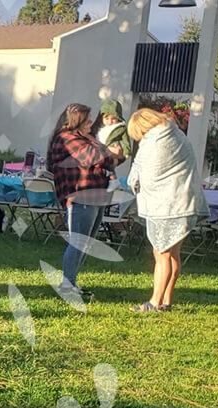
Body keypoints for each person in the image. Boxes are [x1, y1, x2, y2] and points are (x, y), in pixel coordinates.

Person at [126, 107, 208, 313]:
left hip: (164, 207)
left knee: (161, 254)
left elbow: (143, 175)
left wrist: (133, 182)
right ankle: (166, 301)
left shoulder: (152, 143)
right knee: (173, 254)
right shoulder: (177, 134)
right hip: (186, 203)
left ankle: (154, 302)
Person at [47, 103, 124, 302]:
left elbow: (108, 159)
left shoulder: (84, 138)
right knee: (78, 241)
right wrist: (112, 153)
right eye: (88, 119)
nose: (92, 122)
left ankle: (71, 281)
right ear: (77, 120)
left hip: (96, 195)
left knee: (86, 242)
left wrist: (114, 155)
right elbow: (94, 156)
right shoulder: (66, 138)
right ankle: (66, 284)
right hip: (80, 195)